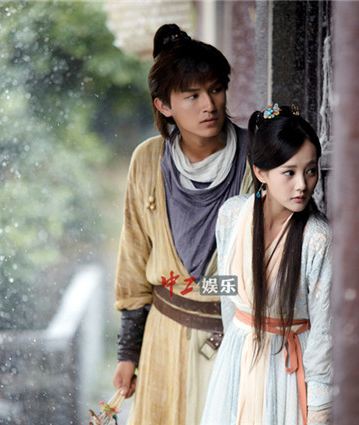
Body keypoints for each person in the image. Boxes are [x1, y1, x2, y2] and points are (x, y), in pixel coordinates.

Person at [112, 24, 253, 425]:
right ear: (164, 106)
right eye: (192, 96)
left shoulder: (255, 158)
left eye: (216, 89)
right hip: (164, 338)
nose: (209, 105)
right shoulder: (148, 160)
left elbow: (271, 266)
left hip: (237, 339)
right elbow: (134, 258)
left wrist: (203, 288)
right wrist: (128, 353)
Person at [201, 104, 333, 425]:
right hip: (238, 355)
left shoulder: (318, 238)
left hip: (288, 367)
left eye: (311, 170)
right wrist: (196, 289)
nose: (302, 184)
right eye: (289, 172)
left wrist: (319, 405)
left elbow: (324, 332)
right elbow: (229, 290)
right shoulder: (232, 215)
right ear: (261, 172)